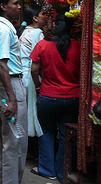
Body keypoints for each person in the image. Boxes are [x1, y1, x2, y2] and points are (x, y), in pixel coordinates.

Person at [30, 12, 80, 182]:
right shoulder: (79, 47)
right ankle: (62, 172)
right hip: (73, 97)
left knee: (46, 133)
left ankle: (46, 169)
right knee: (67, 136)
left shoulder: (43, 45)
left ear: (55, 25)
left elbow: (34, 69)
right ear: (73, 28)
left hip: (48, 96)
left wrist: (38, 85)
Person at [0, 0, 27, 184]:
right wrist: (11, 99)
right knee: (14, 139)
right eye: (15, 3)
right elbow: (3, 64)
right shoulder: (3, 29)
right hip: (8, 86)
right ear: (3, 7)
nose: (19, 7)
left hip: (1, 85)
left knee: (0, 137)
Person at [17, 4, 47, 138]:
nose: (45, 17)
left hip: (22, 74)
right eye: (42, 14)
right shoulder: (37, 33)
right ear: (35, 18)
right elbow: (40, 57)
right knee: (33, 110)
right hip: (30, 75)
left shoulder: (24, 31)